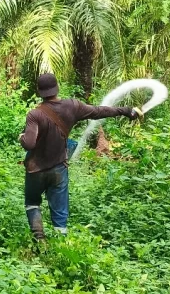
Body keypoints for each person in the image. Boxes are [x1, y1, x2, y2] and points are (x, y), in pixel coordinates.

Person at [18, 73, 140, 240]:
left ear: (39, 91)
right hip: (59, 168)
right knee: (60, 211)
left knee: (33, 203)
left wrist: (21, 138)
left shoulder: (35, 114)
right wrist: (126, 111)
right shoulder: (72, 106)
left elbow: (30, 143)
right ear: (57, 88)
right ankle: (60, 244)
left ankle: (39, 239)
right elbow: (98, 111)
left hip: (36, 169)